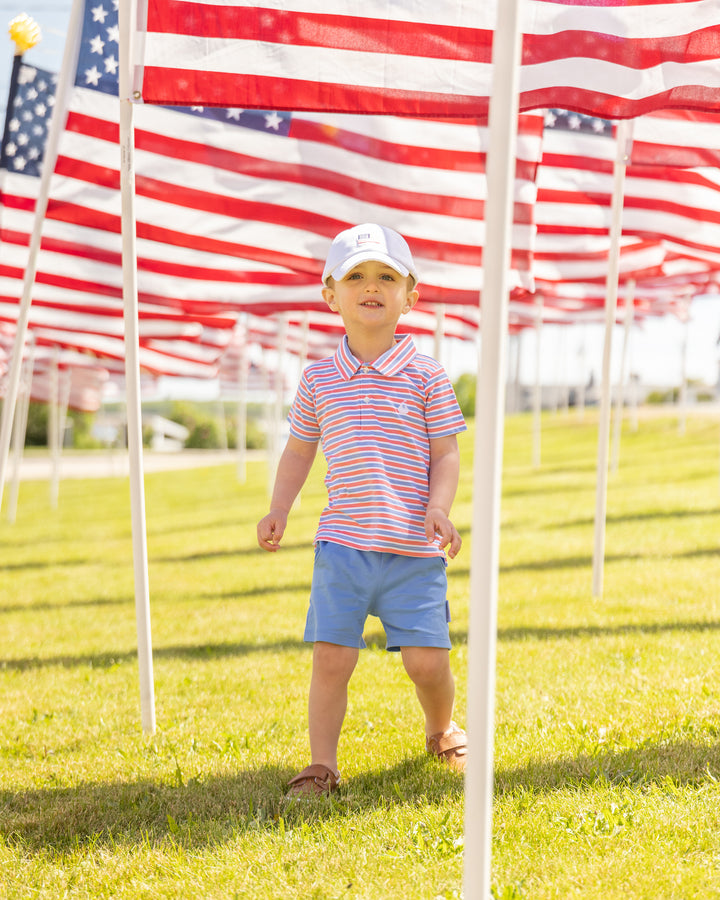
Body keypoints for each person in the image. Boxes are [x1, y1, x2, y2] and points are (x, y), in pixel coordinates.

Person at [257, 223, 468, 797]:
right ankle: (322, 764)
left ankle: (442, 729)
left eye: (385, 277)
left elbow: (446, 453)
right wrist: (279, 507)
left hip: (413, 551)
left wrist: (439, 507)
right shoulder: (318, 379)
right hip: (343, 548)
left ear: (409, 296)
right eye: (355, 276)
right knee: (331, 660)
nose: (371, 286)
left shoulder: (426, 375)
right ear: (331, 295)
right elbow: (298, 451)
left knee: (427, 663)